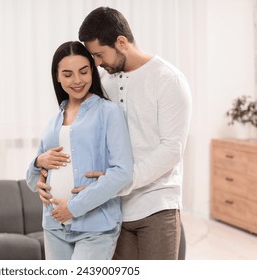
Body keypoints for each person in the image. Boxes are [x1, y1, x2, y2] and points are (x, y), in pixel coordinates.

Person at [36, 7, 192, 260]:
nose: (96, 63)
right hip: (112, 209)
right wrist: (42, 167)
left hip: (156, 204)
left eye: (99, 54)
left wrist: (119, 181)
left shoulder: (168, 80)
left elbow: (172, 149)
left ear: (121, 42)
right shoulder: (103, 81)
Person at [26, 41, 133, 260]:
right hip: (54, 225)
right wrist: (38, 163)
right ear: (57, 76)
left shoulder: (109, 113)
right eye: (67, 74)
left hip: (95, 227)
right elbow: (31, 181)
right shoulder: (53, 121)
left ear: (92, 71)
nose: (77, 80)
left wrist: (73, 208)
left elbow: (123, 171)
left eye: (83, 72)